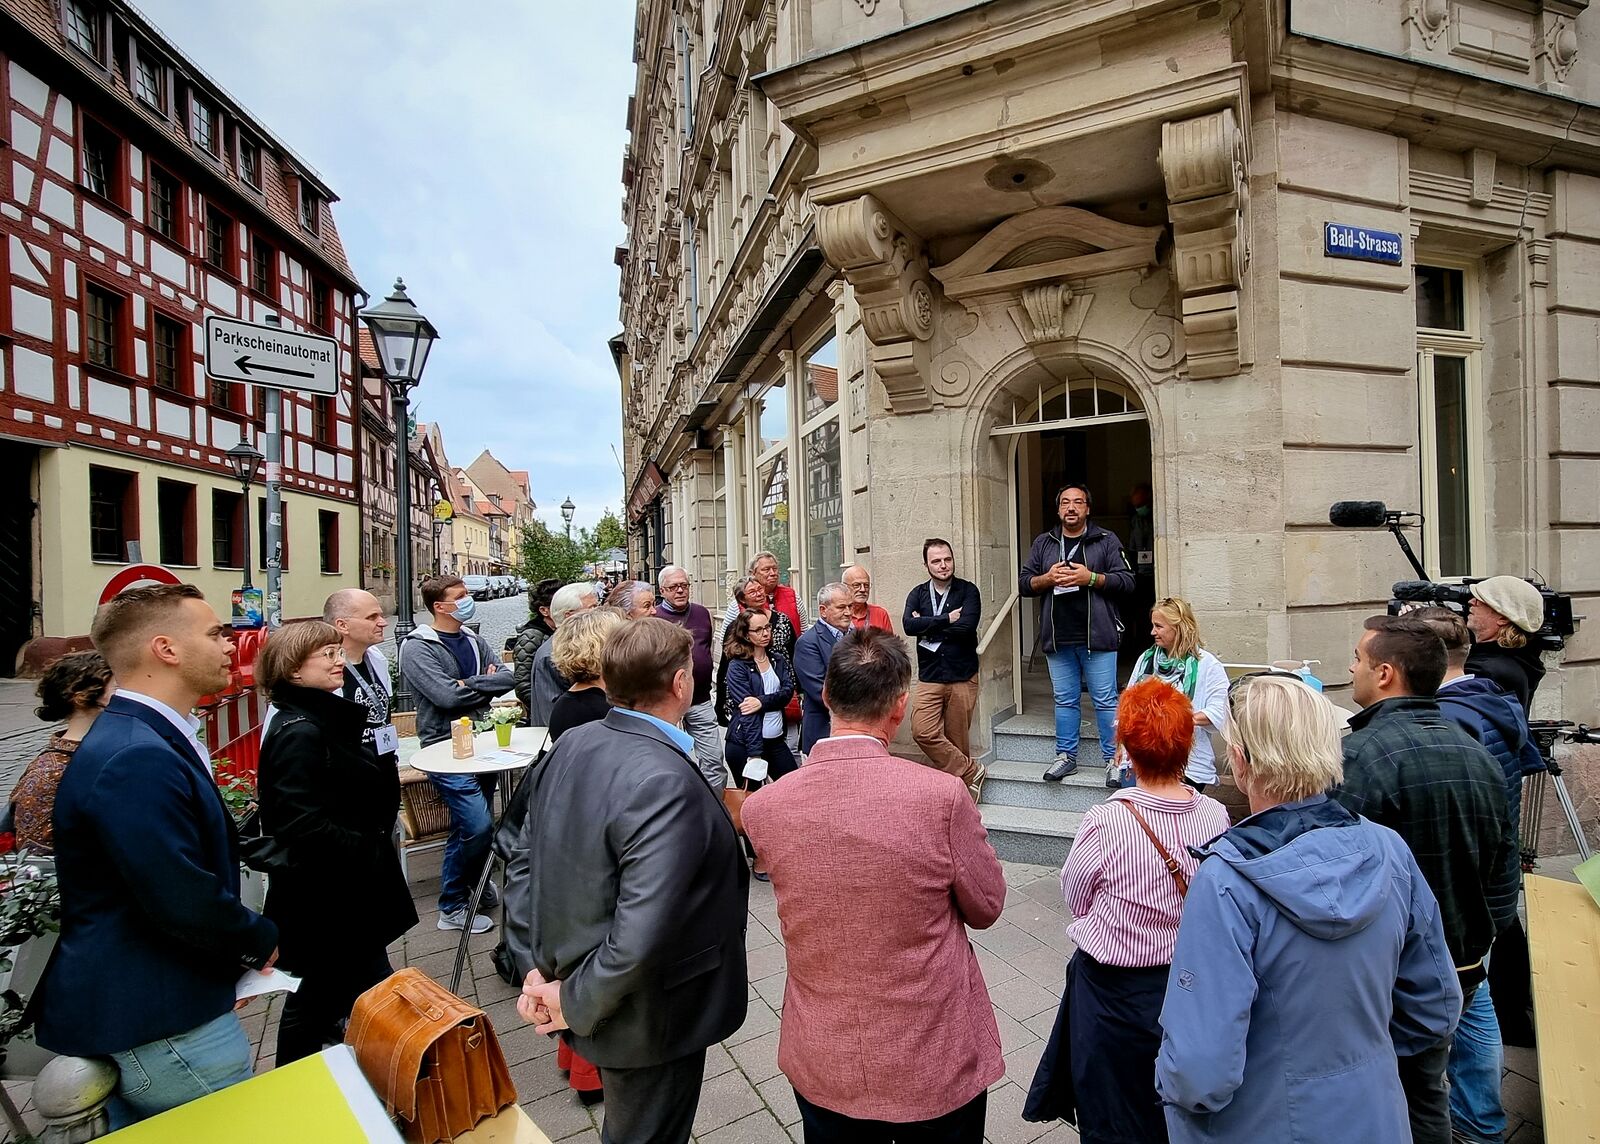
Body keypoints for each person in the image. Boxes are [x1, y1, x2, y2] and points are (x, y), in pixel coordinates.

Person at [1156, 672, 1461, 1144]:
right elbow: (1436, 1004)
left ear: (1241, 761)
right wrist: (1361, 1061)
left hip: (1259, 1123)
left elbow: (1199, 1069)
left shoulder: (1226, 882)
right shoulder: (1390, 849)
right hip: (1374, 1113)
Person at [742, 627, 1005, 1140]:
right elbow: (987, 906)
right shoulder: (942, 797)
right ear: (900, 706)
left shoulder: (766, 807)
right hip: (932, 1051)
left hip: (825, 1052)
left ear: (825, 695)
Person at [35, 585, 278, 1125]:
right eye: (214, 633)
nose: (230, 644)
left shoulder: (140, 734)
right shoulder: (135, 753)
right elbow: (177, 892)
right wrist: (258, 941)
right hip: (163, 1017)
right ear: (165, 649)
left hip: (160, 1006)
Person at [518, 619, 748, 1143]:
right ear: (680, 683)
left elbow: (524, 861)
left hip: (597, 988)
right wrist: (569, 999)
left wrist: (534, 965)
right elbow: (642, 928)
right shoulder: (662, 779)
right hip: (648, 1015)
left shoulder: (573, 741)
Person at [1333, 616, 1518, 1144]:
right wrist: (1478, 938)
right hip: (1460, 957)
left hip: (1391, 968)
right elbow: (1504, 865)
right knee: (1428, 1092)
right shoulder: (1474, 749)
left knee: (1391, 1092)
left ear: (1385, 673)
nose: (1351, 667)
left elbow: (1337, 874)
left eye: (1359, 659)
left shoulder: (1362, 756)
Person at [1023, 678, 1230, 1140]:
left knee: (1111, 1111)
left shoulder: (1106, 820)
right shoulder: (1214, 815)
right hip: (1186, 982)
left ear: (1126, 749)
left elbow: (1076, 896)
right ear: (1186, 745)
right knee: (1170, 1106)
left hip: (1111, 990)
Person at [256, 621, 416, 1065]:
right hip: (329, 893)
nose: (338, 660)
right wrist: (364, 847)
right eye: (326, 654)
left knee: (349, 989)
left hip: (343, 888)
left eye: (336, 651)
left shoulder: (317, 717)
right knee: (318, 998)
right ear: (293, 670)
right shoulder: (300, 730)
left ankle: (379, 1068)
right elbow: (299, 821)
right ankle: (305, 1081)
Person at [1414, 607, 1543, 1135]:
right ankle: (1482, 1118)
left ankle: (1477, 1121)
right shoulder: (1490, 700)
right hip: (1487, 876)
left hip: (1462, 885)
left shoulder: (1454, 718)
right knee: (1475, 998)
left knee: (1463, 1005)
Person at [539, 606, 628, 1107]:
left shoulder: (570, 701)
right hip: (596, 850)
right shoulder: (596, 710)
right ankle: (592, 1071)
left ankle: (576, 1057)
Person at [397, 575, 516, 934]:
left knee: (471, 823)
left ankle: (474, 885)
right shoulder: (418, 647)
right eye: (460, 596)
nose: (468, 599)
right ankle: (451, 904)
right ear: (440, 606)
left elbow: (507, 679)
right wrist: (482, 684)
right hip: (444, 746)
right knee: (477, 824)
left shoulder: (473, 639)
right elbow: (445, 696)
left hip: (482, 740)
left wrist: (468, 684)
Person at [1019, 484, 1134, 782]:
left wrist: (1091, 578)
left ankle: (1113, 760)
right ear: (1058, 509)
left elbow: (1127, 581)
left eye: (1078, 502)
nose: (1071, 508)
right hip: (1058, 639)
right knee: (1064, 700)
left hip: (1098, 637)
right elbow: (1024, 583)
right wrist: (1047, 578)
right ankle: (1066, 757)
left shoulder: (1106, 540)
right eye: (1065, 503)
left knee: (1105, 700)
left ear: (1087, 509)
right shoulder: (1044, 543)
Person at [8, 651, 114, 854]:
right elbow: (35, 854)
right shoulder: (49, 773)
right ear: (81, 697)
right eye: (117, 689)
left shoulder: (124, 749)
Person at [903, 538, 985, 799]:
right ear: (926, 565)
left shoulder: (968, 591)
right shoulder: (917, 594)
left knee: (957, 738)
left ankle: (960, 794)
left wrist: (926, 624)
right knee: (922, 731)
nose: (943, 565)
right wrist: (946, 619)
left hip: (962, 675)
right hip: (930, 676)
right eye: (936, 561)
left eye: (947, 559)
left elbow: (967, 627)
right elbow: (908, 626)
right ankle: (972, 770)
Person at [1122, 597, 1228, 792]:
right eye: (1153, 625)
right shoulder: (1145, 660)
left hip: (1187, 764)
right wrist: (1121, 747)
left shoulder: (1207, 664)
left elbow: (1222, 710)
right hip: (1142, 758)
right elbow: (1127, 707)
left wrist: (1173, 721)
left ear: (1179, 627)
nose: (1152, 632)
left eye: (1158, 626)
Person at [723, 609, 797, 882]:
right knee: (752, 802)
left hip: (775, 740)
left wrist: (762, 701)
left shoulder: (777, 659)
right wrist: (755, 755)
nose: (766, 633)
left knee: (793, 787)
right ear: (745, 634)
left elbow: (787, 692)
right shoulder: (738, 666)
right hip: (746, 744)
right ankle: (758, 857)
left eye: (768, 627)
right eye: (759, 629)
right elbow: (747, 712)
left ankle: (786, 846)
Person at [654, 565, 725, 790]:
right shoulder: (654, 619)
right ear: (662, 590)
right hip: (666, 703)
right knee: (669, 764)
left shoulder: (702, 613)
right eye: (673, 587)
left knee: (714, 760)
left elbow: (707, 647)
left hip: (700, 699)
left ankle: (714, 805)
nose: (680, 590)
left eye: (684, 585)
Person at [323, 589, 399, 772]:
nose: (383, 622)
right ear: (342, 625)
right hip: (348, 776)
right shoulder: (322, 670)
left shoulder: (376, 658)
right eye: (372, 617)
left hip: (384, 768)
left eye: (381, 615)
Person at [715, 575, 797, 725]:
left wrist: (799, 689)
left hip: (781, 690)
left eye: (760, 589)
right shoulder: (735, 627)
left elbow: (793, 654)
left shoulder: (782, 620)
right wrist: (720, 704)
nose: (759, 594)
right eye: (752, 592)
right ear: (742, 599)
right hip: (748, 695)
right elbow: (725, 664)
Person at [1464, 576, 1546, 713]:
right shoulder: (1521, 661)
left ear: (1502, 618)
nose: (1471, 602)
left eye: (1481, 600)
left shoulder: (1484, 671)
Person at [528, 581, 600, 727]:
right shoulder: (551, 655)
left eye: (597, 606)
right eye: (592, 608)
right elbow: (554, 713)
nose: (598, 613)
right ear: (569, 616)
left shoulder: (581, 646)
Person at [792, 583, 852, 753]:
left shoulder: (857, 636)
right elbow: (820, 690)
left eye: (850, 606)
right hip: (823, 731)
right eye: (841, 607)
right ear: (823, 610)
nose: (848, 612)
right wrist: (863, 705)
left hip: (856, 732)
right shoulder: (808, 643)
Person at [722, 551, 809, 633]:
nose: (773, 573)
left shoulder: (793, 596)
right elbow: (727, 638)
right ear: (753, 573)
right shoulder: (739, 604)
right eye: (766, 569)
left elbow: (804, 631)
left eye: (775, 569)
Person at [511, 578, 561, 716]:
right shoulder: (531, 637)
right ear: (544, 610)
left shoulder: (561, 631)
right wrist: (548, 707)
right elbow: (523, 686)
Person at [841, 565, 895, 633]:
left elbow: (890, 639)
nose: (863, 589)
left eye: (866, 585)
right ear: (844, 586)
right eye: (857, 585)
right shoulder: (837, 614)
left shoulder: (880, 614)